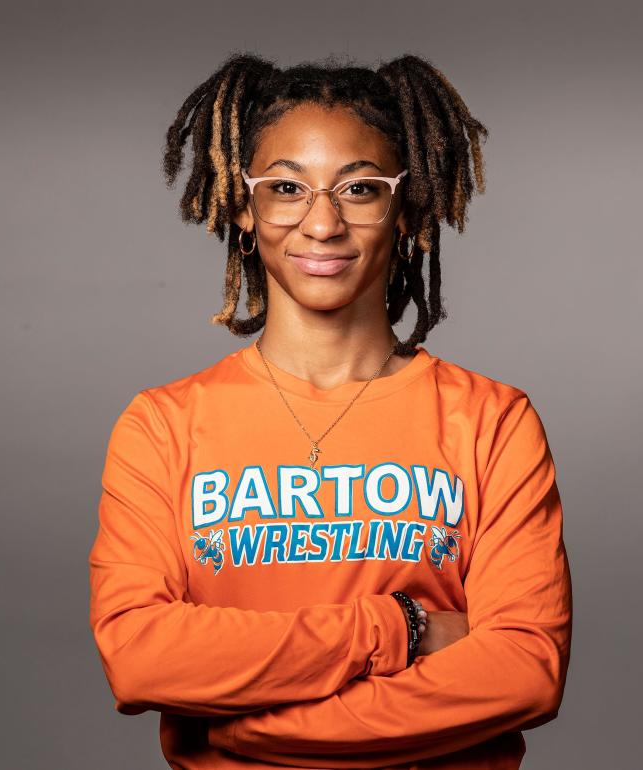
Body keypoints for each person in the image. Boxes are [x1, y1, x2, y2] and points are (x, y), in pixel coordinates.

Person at [88, 51, 573, 770]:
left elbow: (523, 670)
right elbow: (141, 658)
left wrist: (261, 734)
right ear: (244, 208)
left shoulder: (493, 421)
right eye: (286, 187)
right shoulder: (162, 426)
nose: (322, 223)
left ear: (405, 212)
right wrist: (397, 627)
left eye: (361, 189)